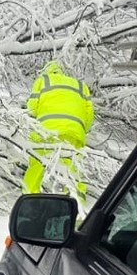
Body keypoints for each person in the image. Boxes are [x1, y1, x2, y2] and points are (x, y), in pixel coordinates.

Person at [24, 61, 93, 197]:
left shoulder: (43, 80)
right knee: (74, 168)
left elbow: (32, 107)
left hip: (46, 130)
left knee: (37, 163)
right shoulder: (81, 86)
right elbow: (89, 114)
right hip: (74, 131)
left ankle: (29, 196)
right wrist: (82, 129)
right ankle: (78, 202)